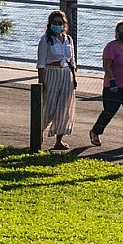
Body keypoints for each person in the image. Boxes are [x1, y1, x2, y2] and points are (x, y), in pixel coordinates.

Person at [91, 20, 123, 148]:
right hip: (114, 87)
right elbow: (106, 65)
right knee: (109, 111)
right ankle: (96, 131)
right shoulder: (111, 47)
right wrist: (112, 80)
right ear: (117, 33)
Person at [36, 9, 78, 151]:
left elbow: (72, 61)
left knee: (64, 108)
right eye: (55, 23)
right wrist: (42, 82)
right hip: (51, 73)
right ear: (50, 24)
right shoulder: (45, 40)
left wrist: (74, 77)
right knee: (49, 106)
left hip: (66, 74)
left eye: (60, 23)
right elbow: (41, 63)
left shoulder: (68, 39)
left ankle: (59, 140)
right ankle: (38, 131)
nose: (58, 25)